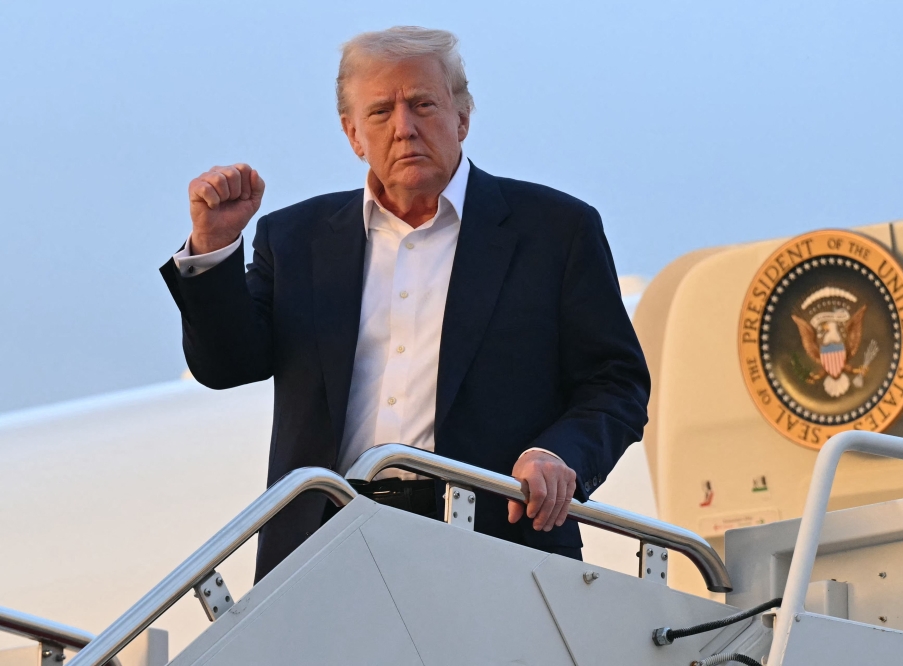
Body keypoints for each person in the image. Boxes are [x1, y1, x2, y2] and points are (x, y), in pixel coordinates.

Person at [160, 26, 649, 581]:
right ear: (352, 135)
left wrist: (560, 456)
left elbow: (617, 382)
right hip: (325, 545)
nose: (403, 128)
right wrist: (213, 247)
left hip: (495, 541)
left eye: (422, 104)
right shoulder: (295, 239)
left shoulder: (555, 231)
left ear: (462, 115)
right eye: (379, 113)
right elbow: (225, 366)